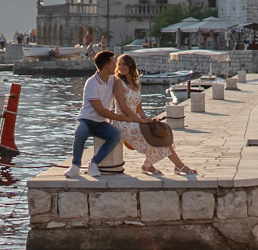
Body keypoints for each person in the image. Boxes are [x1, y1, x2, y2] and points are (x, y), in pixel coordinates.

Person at [111, 54, 197, 177]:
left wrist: (148, 119)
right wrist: (140, 121)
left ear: (131, 66)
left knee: (160, 131)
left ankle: (151, 165)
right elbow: (124, 108)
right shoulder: (118, 82)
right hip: (123, 122)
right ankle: (174, 166)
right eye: (119, 64)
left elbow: (139, 109)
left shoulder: (137, 84)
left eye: (124, 64)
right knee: (155, 140)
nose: (121, 67)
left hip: (136, 120)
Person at [67, 50, 123, 178]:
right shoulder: (91, 83)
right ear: (107, 66)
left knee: (115, 135)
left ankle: (94, 164)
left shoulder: (112, 80)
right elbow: (100, 110)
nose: (115, 66)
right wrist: (122, 118)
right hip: (86, 119)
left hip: (101, 122)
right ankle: (75, 165)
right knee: (80, 133)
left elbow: (125, 82)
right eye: (113, 63)